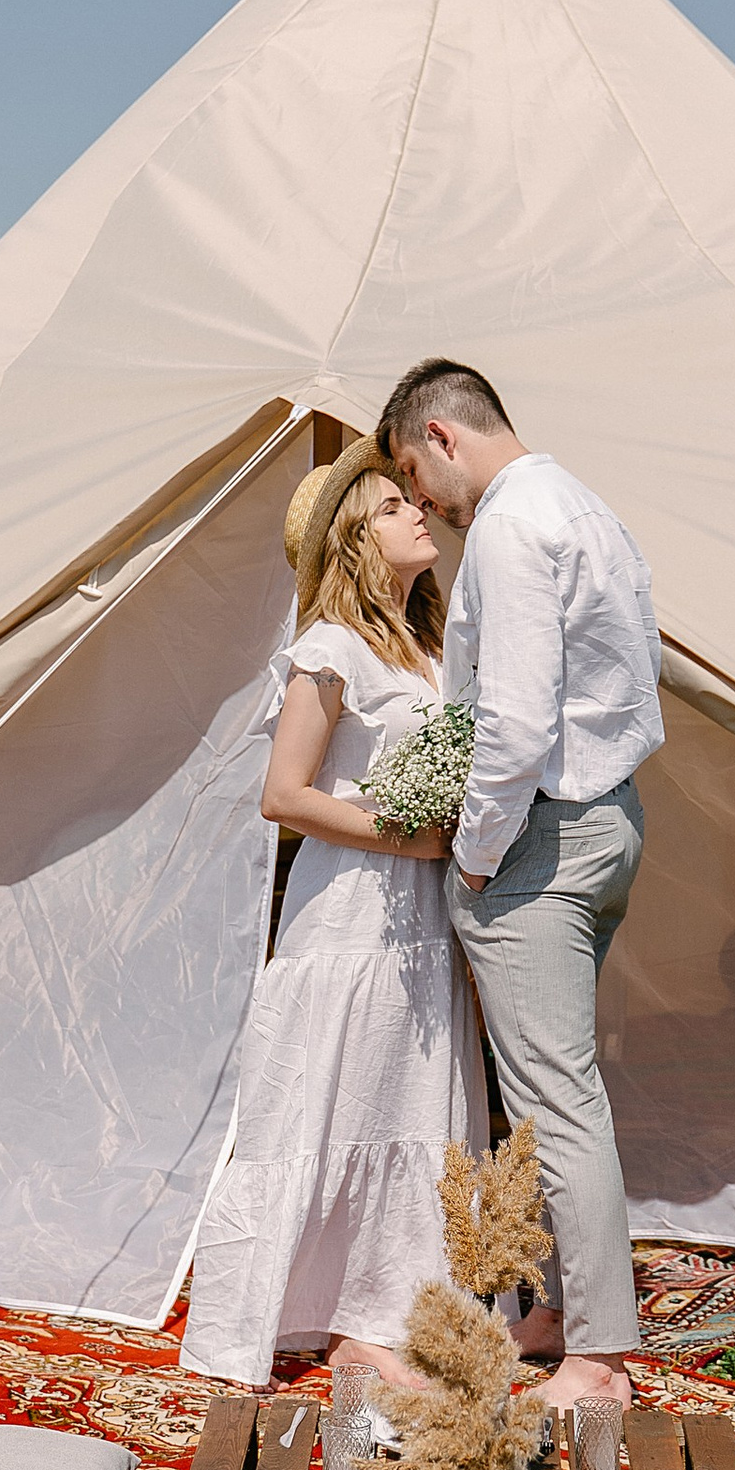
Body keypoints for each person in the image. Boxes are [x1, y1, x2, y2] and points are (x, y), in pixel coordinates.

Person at [377, 358, 664, 1411]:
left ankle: (599, 1361)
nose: (423, 503)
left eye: (414, 476)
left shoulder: (505, 525)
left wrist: (476, 851)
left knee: (554, 1096)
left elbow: (513, 719)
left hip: (540, 832)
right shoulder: (585, 505)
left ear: (443, 437)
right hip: (609, 815)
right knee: (550, 1090)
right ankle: (557, 1312)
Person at [181, 437, 489, 1391]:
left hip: (426, 918)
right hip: (352, 912)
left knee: (412, 1101)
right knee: (332, 1093)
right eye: (393, 507)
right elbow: (284, 795)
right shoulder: (328, 651)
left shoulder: (437, 649)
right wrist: (406, 836)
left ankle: (388, 1315)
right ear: (355, 539)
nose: (418, 512)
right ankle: (320, 1316)